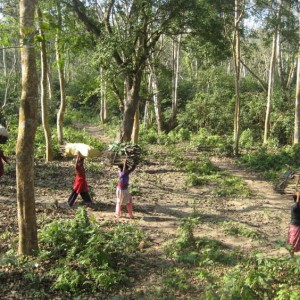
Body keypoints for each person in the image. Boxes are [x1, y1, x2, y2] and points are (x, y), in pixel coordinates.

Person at [287, 191, 300, 257]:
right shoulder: (294, 206)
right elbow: (297, 205)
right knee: (292, 242)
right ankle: (291, 256)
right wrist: (298, 196)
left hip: (295, 226)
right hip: (295, 226)